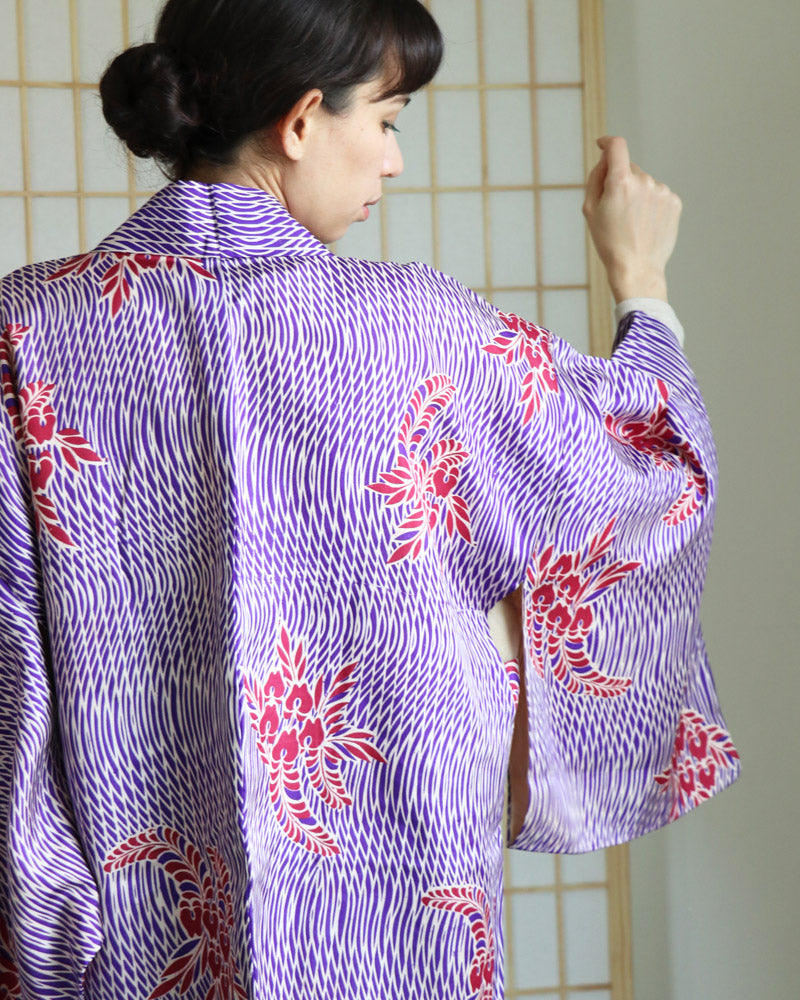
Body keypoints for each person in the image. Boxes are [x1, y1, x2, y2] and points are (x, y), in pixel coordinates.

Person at [0, 1, 739, 997]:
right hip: (397, 907)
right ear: (302, 120)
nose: (391, 160)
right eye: (385, 121)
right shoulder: (419, 332)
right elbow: (636, 470)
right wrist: (640, 276)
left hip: (136, 921)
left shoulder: (25, 331)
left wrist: (41, 924)